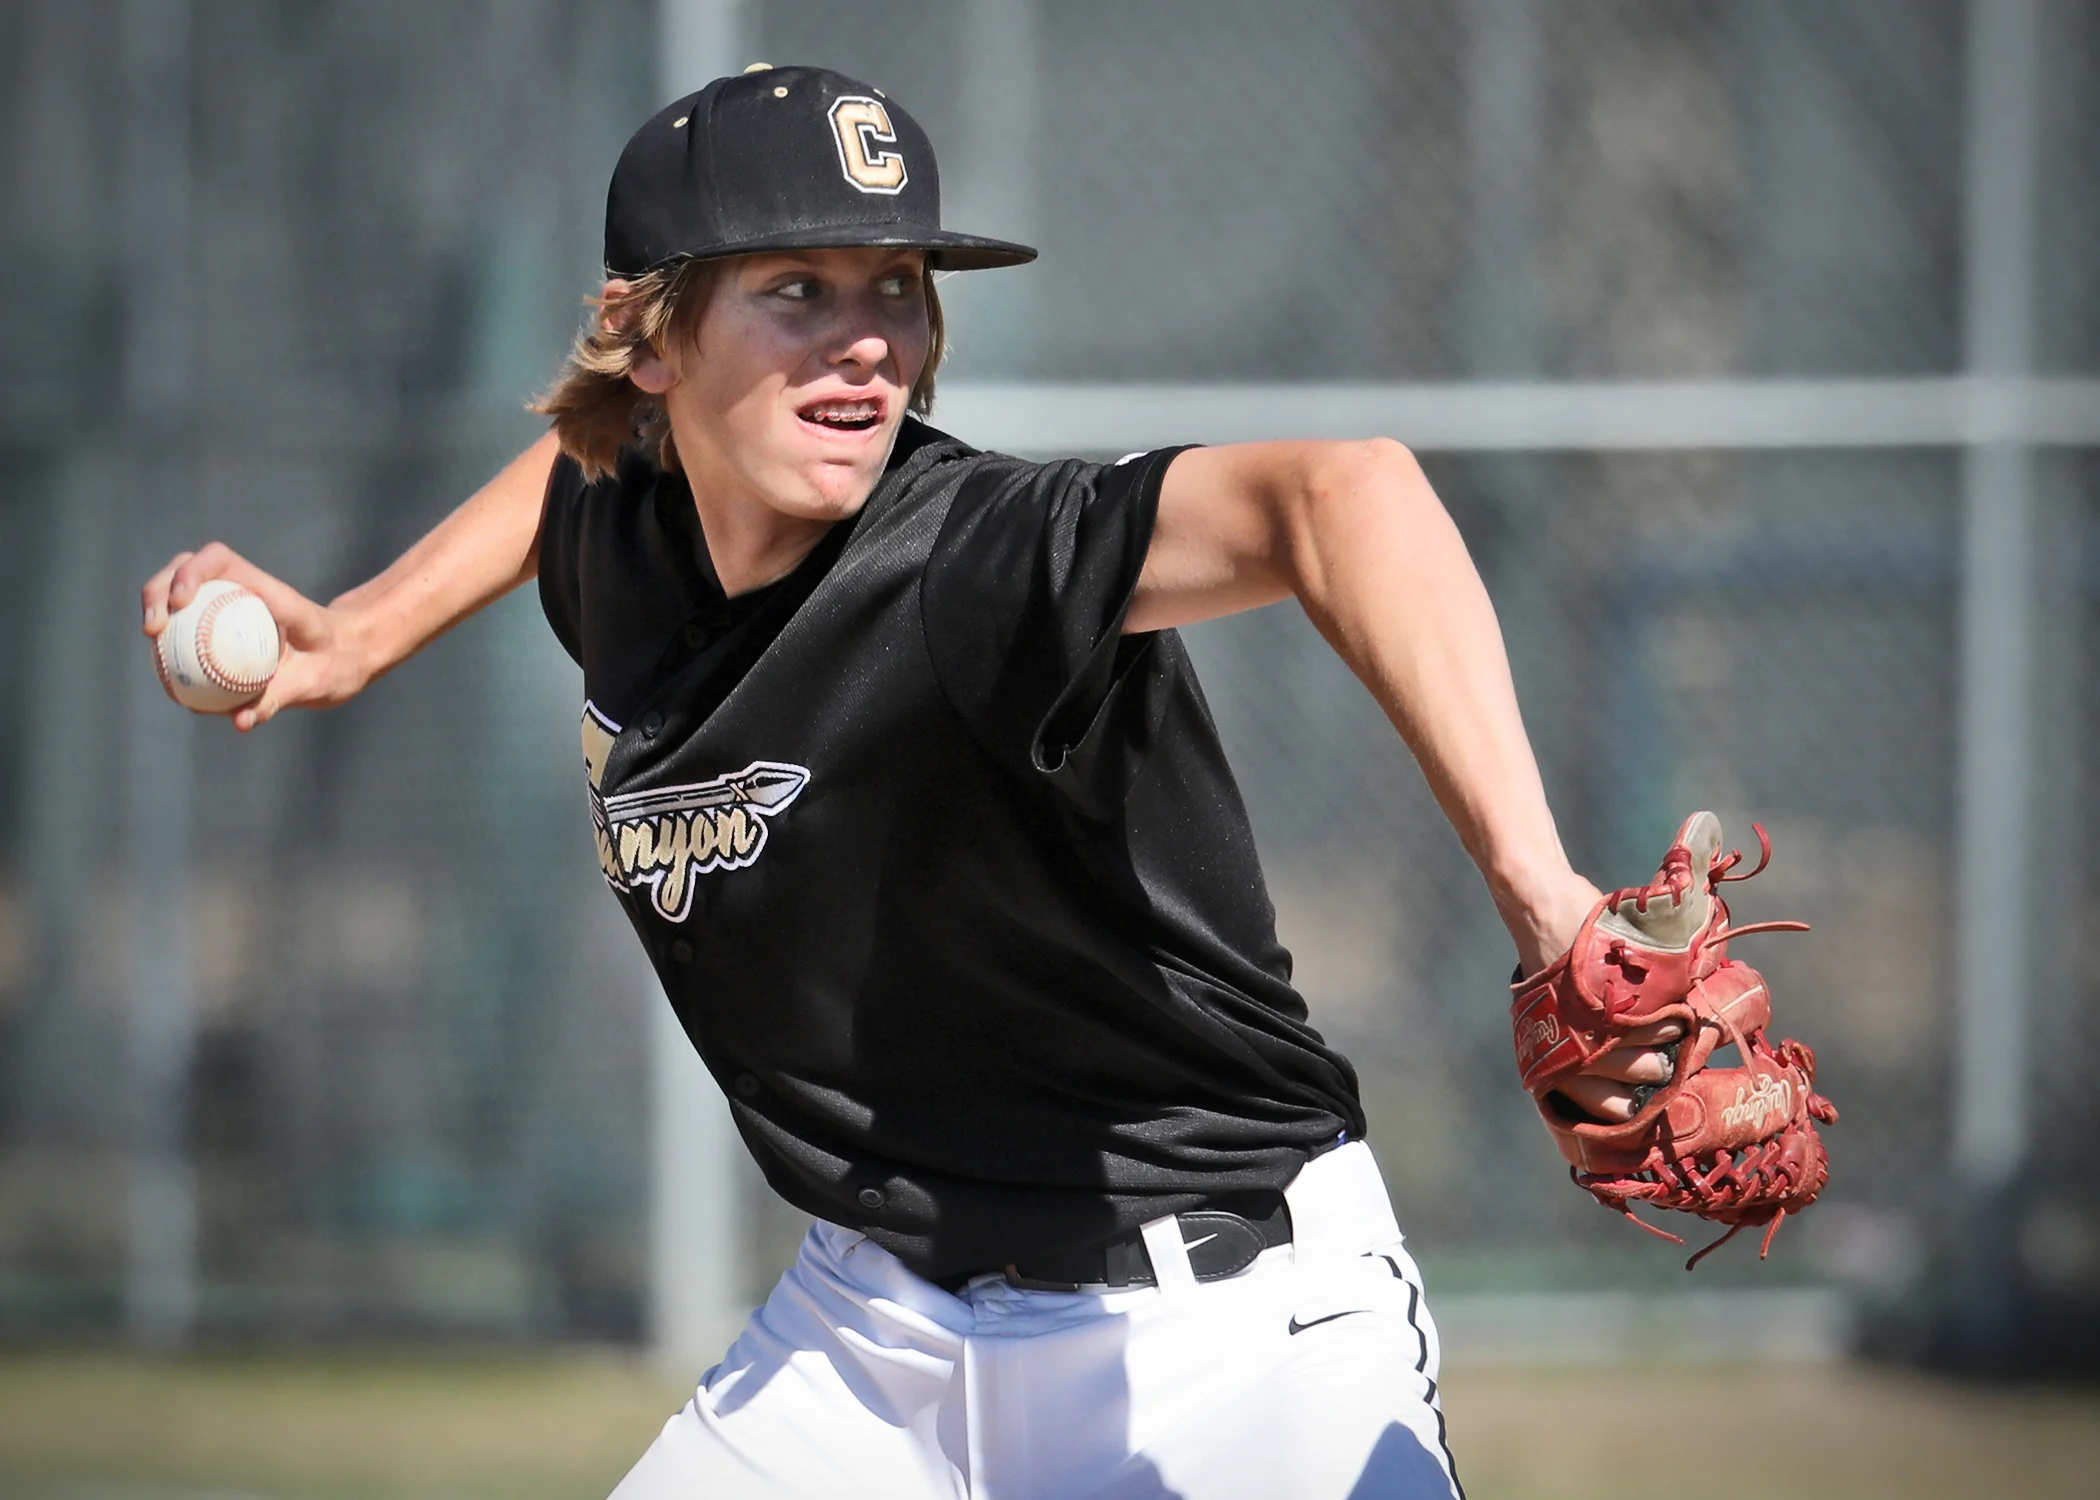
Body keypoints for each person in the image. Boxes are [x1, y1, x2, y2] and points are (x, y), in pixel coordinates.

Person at [143, 65, 1678, 1500]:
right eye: (796, 288)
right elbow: (567, 475)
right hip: (875, 1329)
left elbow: (1351, 495)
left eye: (896, 290)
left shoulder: (971, 561)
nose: (867, 337)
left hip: (1223, 1326)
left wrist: (1541, 901)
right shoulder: (626, 538)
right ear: (652, 341)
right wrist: (356, 634)